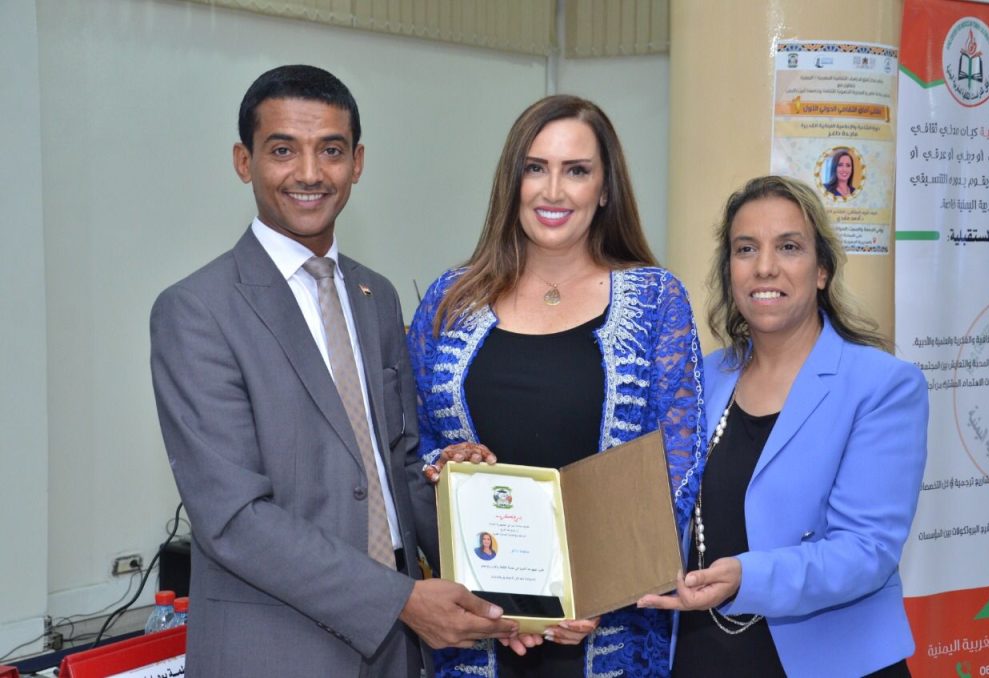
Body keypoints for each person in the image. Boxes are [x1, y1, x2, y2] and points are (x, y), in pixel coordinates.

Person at [149, 65, 517, 677]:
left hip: (397, 650)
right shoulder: (197, 310)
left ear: (357, 163)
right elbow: (234, 519)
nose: (310, 173)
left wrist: (513, 587)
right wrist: (398, 600)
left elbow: (397, 467)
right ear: (243, 162)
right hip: (276, 648)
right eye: (282, 150)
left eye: (331, 150)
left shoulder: (377, 297)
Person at [407, 94, 705, 677]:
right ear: (511, 180)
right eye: (535, 168)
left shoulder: (656, 300)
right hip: (475, 631)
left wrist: (600, 591)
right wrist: (442, 464)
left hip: (607, 633)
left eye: (576, 171)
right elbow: (411, 445)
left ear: (605, 188)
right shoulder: (450, 299)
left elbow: (677, 465)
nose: (553, 191)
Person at [639, 176, 928, 677]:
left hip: (830, 664)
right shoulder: (700, 378)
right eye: (746, 249)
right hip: (702, 656)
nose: (765, 266)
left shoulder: (882, 385)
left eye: (789, 247)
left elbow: (866, 551)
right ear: (730, 270)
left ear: (822, 270)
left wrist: (746, 577)